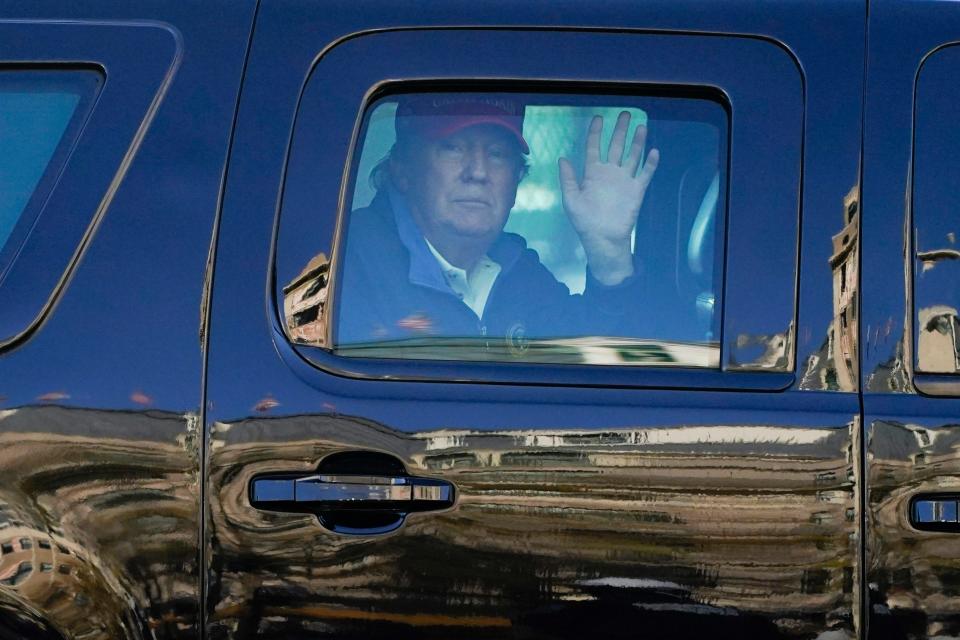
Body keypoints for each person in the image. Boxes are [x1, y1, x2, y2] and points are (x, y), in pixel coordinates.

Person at [336, 94, 660, 349]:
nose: (477, 172)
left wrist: (610, 255)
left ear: (516, 180)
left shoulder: (518, 271)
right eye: (452, 148)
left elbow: (604, 368)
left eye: (497, 154)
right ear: (402, 169)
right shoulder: (348, 265)